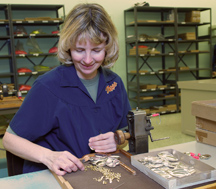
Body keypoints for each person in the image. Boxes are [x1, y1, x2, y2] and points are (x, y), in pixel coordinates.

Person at [3, 3, 131, 176]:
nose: (87, 60)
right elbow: (10, 140)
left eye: (96, 50)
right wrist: (48, 157)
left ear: (107, 48)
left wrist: (117, 139)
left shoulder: (114, 84)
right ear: (68, 46)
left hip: (100, 175)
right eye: (79, 50)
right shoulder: (48, 86)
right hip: (58, 177)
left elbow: (125, 132)